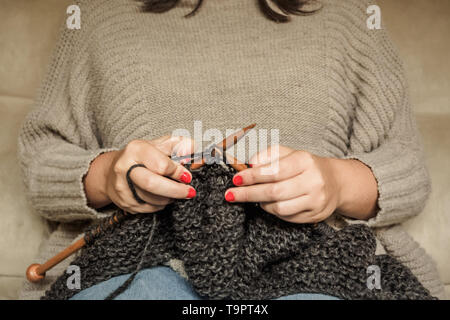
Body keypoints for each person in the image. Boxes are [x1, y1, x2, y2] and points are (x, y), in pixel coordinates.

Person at [18, 0, 444, 299]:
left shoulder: (350, 14)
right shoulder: (97, 13)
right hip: (134, 260)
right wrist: (111, 175)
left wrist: (336, 183)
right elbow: (42, 156)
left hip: (317, 262)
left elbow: (404, 161)